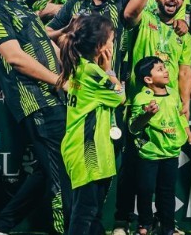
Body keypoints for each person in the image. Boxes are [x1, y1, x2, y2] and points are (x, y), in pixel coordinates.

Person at [0, 0, 69, 235]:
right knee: (60, 174)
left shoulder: (23, 9)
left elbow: (49, 48)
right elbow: (15, 58)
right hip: (35, 101)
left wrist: (69, 76)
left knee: (47, 169)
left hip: (55, 97)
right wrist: (60, 82)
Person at [58, 14, 125, 235]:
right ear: (99, 46)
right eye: (111, 41)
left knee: (92, 212)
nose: (113, 46)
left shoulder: (80, 66)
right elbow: (120, 96)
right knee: (85, 212)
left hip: (86, 147)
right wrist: (109, 69)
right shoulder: (93, 72)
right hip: (88, 150)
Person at [129, 56, 191, 235]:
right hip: (149, 153)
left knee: (167, 191)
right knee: (145, 190)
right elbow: (133, 127)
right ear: (148, 79)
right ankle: (145, 224)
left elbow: (180, 118)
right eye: (160, 69)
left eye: (164, 67)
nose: (166, 71)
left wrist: (190, 136)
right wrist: (147, 115)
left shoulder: (174, 93)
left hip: (171, 153)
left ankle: (167, 226)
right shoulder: (141, 98)